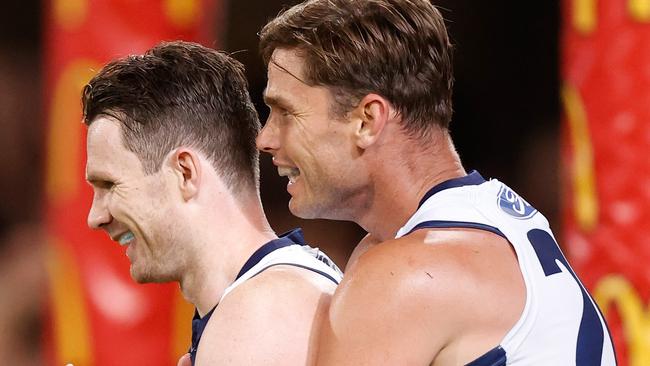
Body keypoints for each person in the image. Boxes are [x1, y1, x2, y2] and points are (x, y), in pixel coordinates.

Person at [256, 0, 616, 364]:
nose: (265, 138)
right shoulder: (494, 222)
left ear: (367, 120)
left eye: (286, 112)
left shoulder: (404, 275)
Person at [82, 40, 342, 366]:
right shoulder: (272, 297)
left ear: (185, 173)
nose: (96, 216)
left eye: (110, 184)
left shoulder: (257, 318)